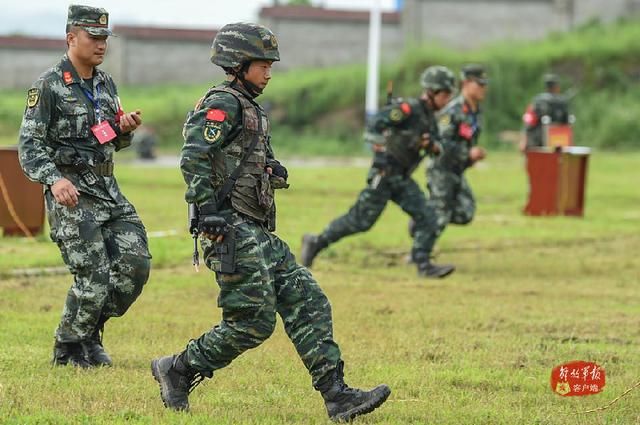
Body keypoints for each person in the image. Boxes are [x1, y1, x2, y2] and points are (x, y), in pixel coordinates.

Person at [150, 23, 390, 422]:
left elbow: (246, 159)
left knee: (307, 298)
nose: (269, 73)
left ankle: (338, 396)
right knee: (252, 323)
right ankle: (177, 368)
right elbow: (193, 157)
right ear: (237, 63)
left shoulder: (252, 109)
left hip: (256, 230)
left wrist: (271, 170)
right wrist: (207, 210)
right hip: (228, 228)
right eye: (262, 64)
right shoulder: (221, 104)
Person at [17, 5, 151, 368]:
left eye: (105, 38)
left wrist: (122, 129)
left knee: (134, 267)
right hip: (72, 194)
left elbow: (102, 139)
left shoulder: (106, 84)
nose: (101, 44)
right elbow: (30, 146)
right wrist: (54, 179)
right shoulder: (48, 85)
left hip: (108, 189)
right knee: (93, 275)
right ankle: (69, 347)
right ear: (71, 37)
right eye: (94, 37)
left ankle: (89, 332)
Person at [300, 66, 457, 278]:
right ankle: (315, 242)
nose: (447, 100)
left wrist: (431, 146)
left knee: (428, 217)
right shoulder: (407, 109)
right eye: (445, 94)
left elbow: (438, 147)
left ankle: (423, 264)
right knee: (360, 221)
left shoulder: (430, 118)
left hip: (402, 178)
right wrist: (381, 149)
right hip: (384, 174)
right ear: (431, 91)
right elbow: (375, 124)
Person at [416, 65, 489, 263]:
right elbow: (442, 144)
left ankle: (420, 220)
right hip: (442, 169)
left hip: (457, 170)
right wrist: (468, 153)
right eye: (479, 84)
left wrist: (471, 156)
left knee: (465, 212)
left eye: (484, 85)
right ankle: (419, 254)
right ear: (466, 83)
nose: (483, 88)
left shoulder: (475, 111)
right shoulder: (453, 111)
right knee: (440, 215)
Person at [520, 73, 570, 151]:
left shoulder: (537, 100)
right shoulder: (562, 102)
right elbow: (567, 125)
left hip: (537, 144)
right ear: (557, 86)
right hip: (558, 143)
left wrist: (524, 141)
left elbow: (529, 122)